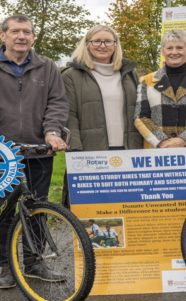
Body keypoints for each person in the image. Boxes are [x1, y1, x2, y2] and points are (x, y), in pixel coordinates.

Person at [0, 15, 68, 289]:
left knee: (36, 208)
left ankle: (34, 263)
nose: (21, 36)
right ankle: (7, 266)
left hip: (38, 151)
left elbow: (57, 103)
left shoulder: (48, 67)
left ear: (34, 37)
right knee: (5, 212)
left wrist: (52, 132)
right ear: (3, 36)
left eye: (27, 32)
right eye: (15, 31)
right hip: (0, 153)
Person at [61, 24, 142, 207]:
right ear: (87, 44)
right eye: (96, 41)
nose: (102, 45)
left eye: (108, 41)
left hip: (129, 150)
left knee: (129, 206)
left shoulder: (130, 73)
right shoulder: (71, 75)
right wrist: (75, 151)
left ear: (116, 45)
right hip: (91, 152)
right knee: (95, 208)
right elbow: (69, 115)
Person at [134, 29, 186, 149]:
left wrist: (183, 140)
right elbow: (140, 117)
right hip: (157, 152)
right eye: (169, 48)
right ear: (163, 51)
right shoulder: (146, 81)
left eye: (179, 48)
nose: (174, 52)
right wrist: (162, 141)